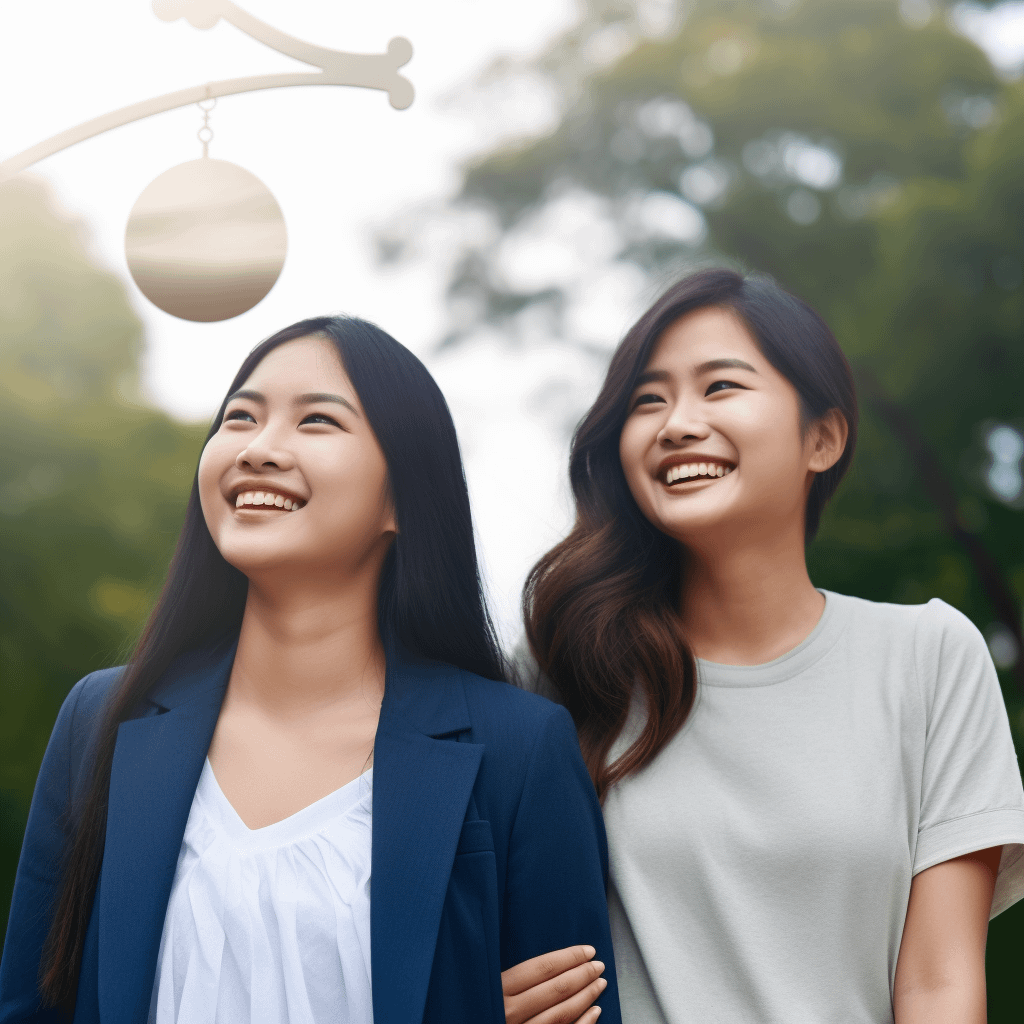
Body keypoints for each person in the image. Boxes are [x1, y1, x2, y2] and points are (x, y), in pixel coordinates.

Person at [0, 316, 620, 1024]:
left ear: (403, 495)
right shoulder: (101, 721)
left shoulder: (519, 746)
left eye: (318, 421)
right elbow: (32, 1007)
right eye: (239, 418)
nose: (259, 448)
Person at [504, 269, 1024, 1024]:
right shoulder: (563, 677)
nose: (677, 423)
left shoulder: (928, 655)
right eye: (648, 400)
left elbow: (940, 984)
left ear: (823, 437)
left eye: (720, 387)